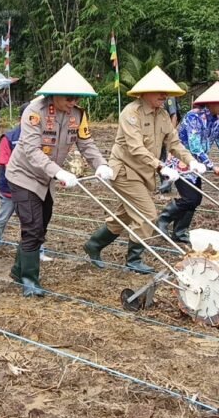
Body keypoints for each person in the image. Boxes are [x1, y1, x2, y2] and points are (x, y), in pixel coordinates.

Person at [84, 67, 202, 274]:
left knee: (124, 216)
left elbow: (174, 143)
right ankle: (134, 260)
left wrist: (191, 161)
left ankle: (94, 244)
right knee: (147, 214)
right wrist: (162, 166)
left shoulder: (163, 115)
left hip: (143, 173)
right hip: (124, 171)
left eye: (166, 93)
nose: (164, 96)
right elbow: (135, 148)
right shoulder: (131, 113)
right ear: (145, 93)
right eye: (159, 92)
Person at [6, 63, 110, 297]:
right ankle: (30, 280)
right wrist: (59, 172)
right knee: (32, 227)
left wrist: (101, 164)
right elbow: (32, 151)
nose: (73, 102)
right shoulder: (35, 112)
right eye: (69, 98)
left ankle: (17, 269)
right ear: (54, 94)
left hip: (47, 178)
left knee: (41, 225)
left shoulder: (77, 115)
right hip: (23, 175)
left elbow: (86, 143)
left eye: (77, 98)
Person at [156, 82, 219, 243]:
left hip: (197, 166)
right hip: (181, 162)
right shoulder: (194, 116)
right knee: (191, 198)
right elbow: (195, 146)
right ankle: (163, 219)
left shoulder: (217, 122)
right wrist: (212, 166)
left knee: (195, 199)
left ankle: (180, 231)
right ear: (210, 102)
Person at [0, 103, 55, 261]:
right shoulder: (9, 138)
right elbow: (5, 162)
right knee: (3, 217)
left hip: (33, 188)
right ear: (21, 119)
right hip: (11, 188)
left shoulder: (42, 137)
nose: (35, 121)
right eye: (31, 118)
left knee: (34, 222)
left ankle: (39, 251)